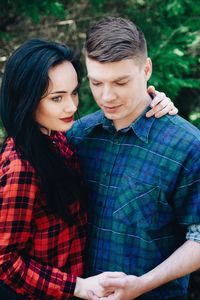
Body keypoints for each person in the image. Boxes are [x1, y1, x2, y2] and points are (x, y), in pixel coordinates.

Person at [67, 17, 200, 300]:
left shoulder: (187, 145)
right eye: (96, 82)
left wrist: (143, 283)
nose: (107, 95)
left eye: (121, 82)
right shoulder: (77, 137)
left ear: (147, 69)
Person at [0, 38, 128, 300]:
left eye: (74, 92)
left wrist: (150, 101)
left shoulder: (56, 137)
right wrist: (76, 286)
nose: (72, 106)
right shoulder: (21, 166)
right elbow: (5, 261)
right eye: (57, 98)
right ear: (26, 100)